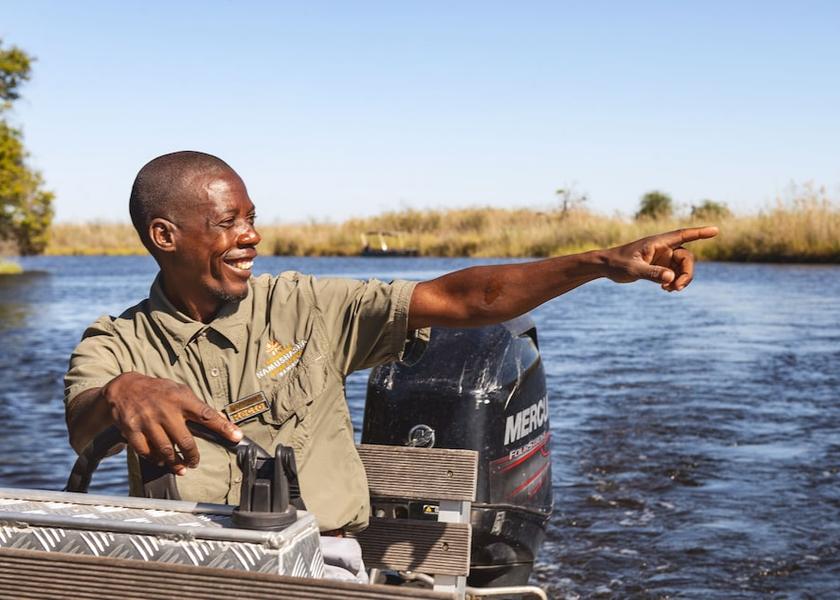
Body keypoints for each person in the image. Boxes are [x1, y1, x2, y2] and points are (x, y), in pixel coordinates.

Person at [64, 151, 717, 579]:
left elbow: (461, 298)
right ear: (165, 236)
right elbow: (84, 418)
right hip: (188, 574)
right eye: (229, 222)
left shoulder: (308, 307)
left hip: (324, 563)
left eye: (252, 219)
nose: (252, 236)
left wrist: (600, 262)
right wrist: (121, 393)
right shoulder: (119, 342)